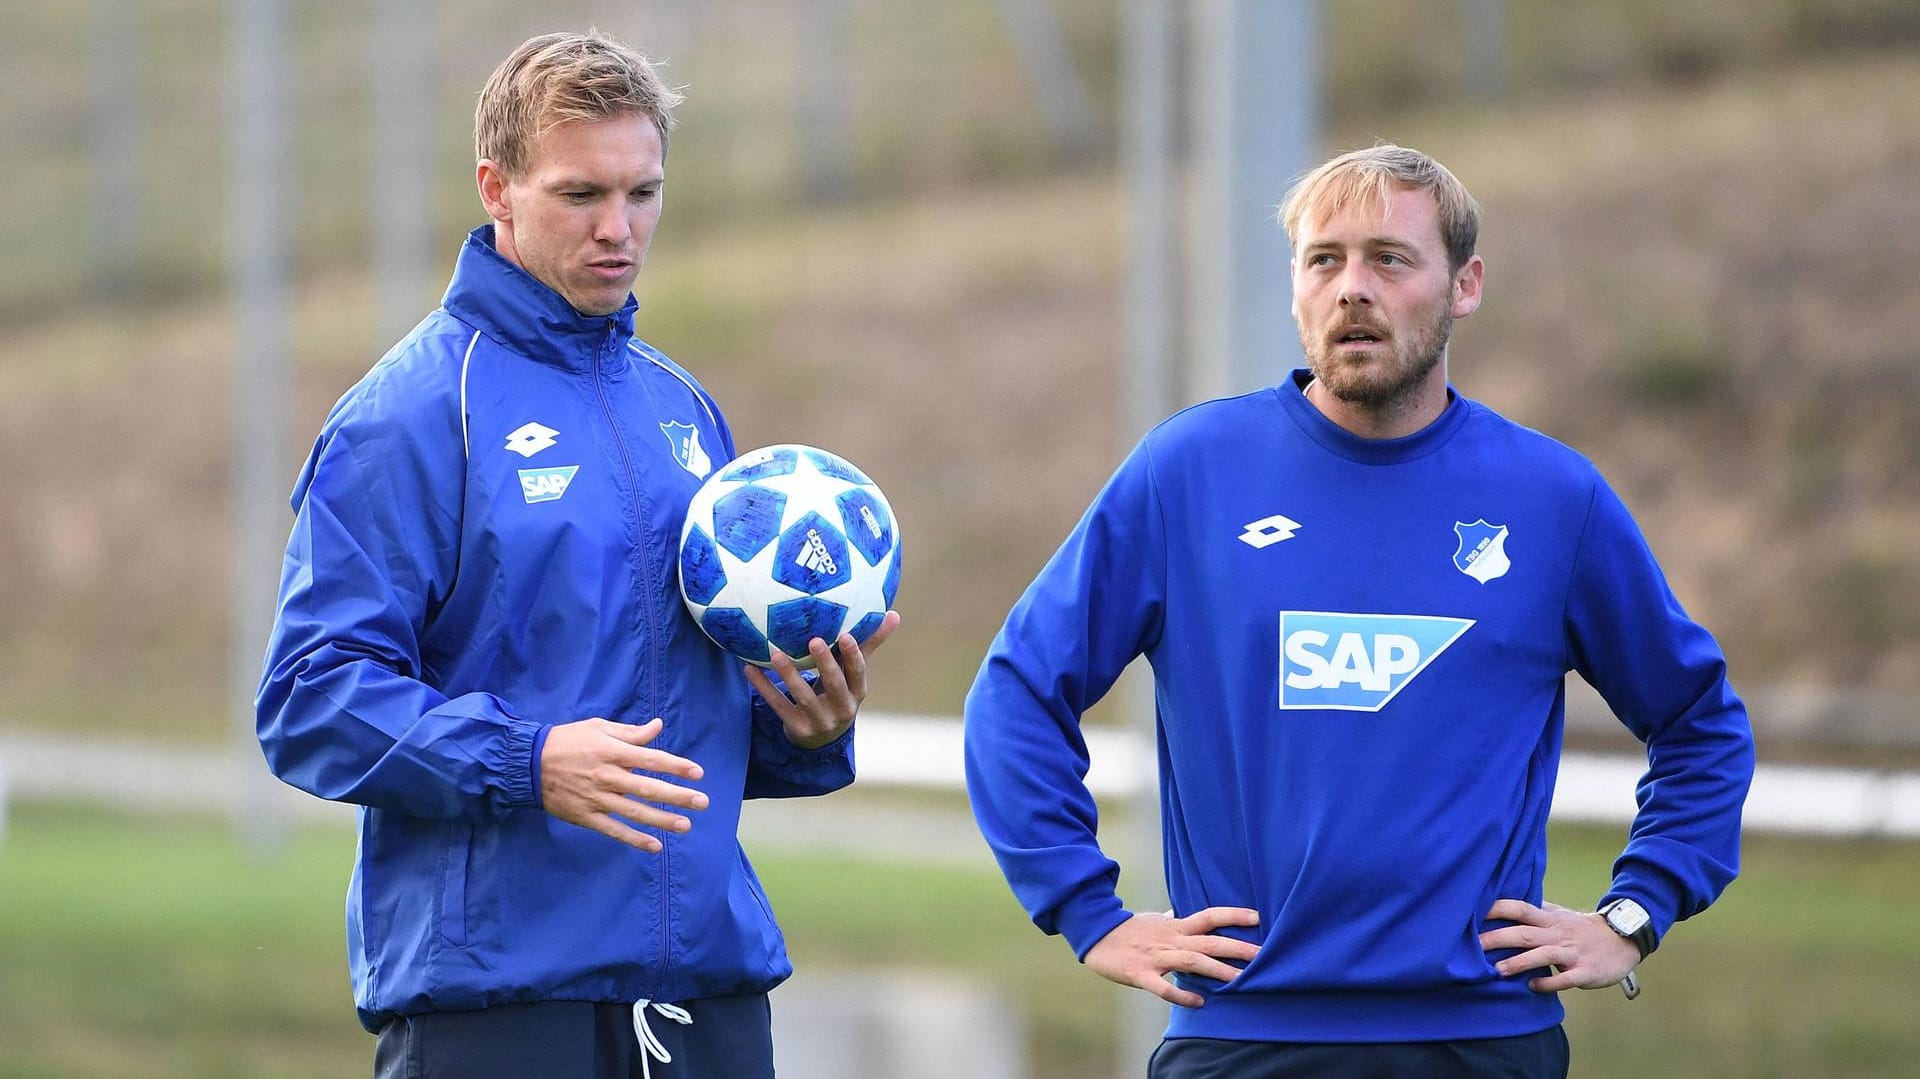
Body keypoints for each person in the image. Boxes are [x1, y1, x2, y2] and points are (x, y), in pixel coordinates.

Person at [962, 144, 1754, 1078]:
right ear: (1295, 287)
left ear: (1465, 286)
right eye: (1323, 259)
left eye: (1390, 258)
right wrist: (1090, 912)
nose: (1352, 289)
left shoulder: (1551, 498)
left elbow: (1700, 722)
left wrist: (1635, 911)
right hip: (1244, 1037)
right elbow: (1016, 695)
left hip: (1481, 1040)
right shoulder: (1190, 473)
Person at [256, 30, 898, 1079]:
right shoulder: (413, 416)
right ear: (495, 189)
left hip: (705, 989)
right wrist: (531, 760)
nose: (619, 229)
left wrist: (803, 729)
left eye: (643, 193)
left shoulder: (681, 408)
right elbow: (310, 699)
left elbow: (688, 701)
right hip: (501, 1000)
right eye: (581, 195)